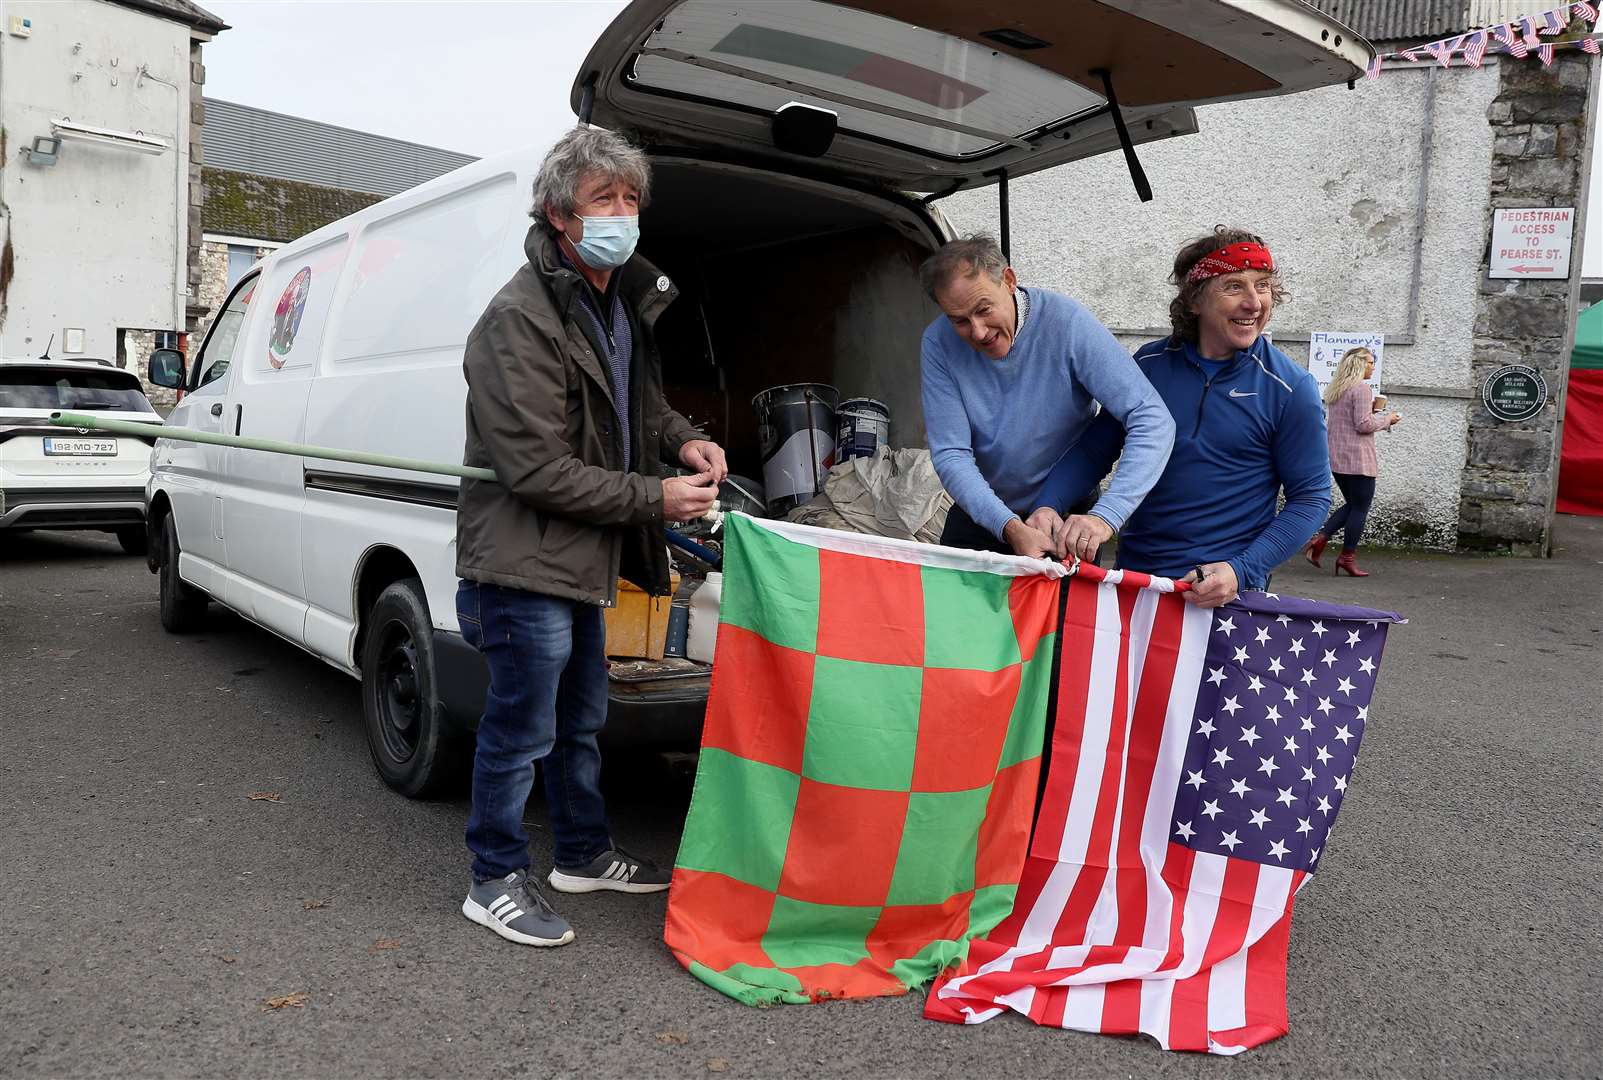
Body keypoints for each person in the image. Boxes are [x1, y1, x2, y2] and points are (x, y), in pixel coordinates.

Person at [454, 126, 728, 948]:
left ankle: (580, 853)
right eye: (602, 199)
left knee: (580, 717)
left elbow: (632, 406)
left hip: (579, 557)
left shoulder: (615, 300)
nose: (621, 213)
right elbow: (535, 469)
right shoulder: (517, 319)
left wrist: (681, 438)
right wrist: (657, 497)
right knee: (521, 728)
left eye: (631, 199)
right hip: (522, 558)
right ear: (558, 215)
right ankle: (492, 876)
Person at [1029, 227, 1330, 606]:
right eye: (1234, 286)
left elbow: (1312, 498)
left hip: (1223, 593)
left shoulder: (1290, 387)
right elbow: (1094, 451)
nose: (1255, 303)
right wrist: (1047, 505)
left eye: (1264, 285)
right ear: (1194, 301)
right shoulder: (1150, 365)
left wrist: (1241, 569)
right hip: (1136, 583)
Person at [918, 234, 1174, 560]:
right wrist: (1009, 526)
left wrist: (1108, 514)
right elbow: (951, 453)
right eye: (959, 321)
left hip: (1066, 517)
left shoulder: (1067, 323)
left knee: (1062, 613)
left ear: (1008, 280)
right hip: (982, 511)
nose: (978, 331)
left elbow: (1151, 416)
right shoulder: (938, 343)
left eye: (983, 310)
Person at [1304, 346, 1401, 576]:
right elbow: (1363, 425)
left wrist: (1373, 412)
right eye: (1370, 363)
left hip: (1337, 457)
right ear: (1359, 364)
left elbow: (1351, 421)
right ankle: (1347, 558)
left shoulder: (1337, 389)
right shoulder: (1362, 389)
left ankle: (1321, 539)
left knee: (1352, 504)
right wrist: (1388, 419)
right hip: (1358, 459)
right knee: (1360, 507)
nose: (1373, 366)